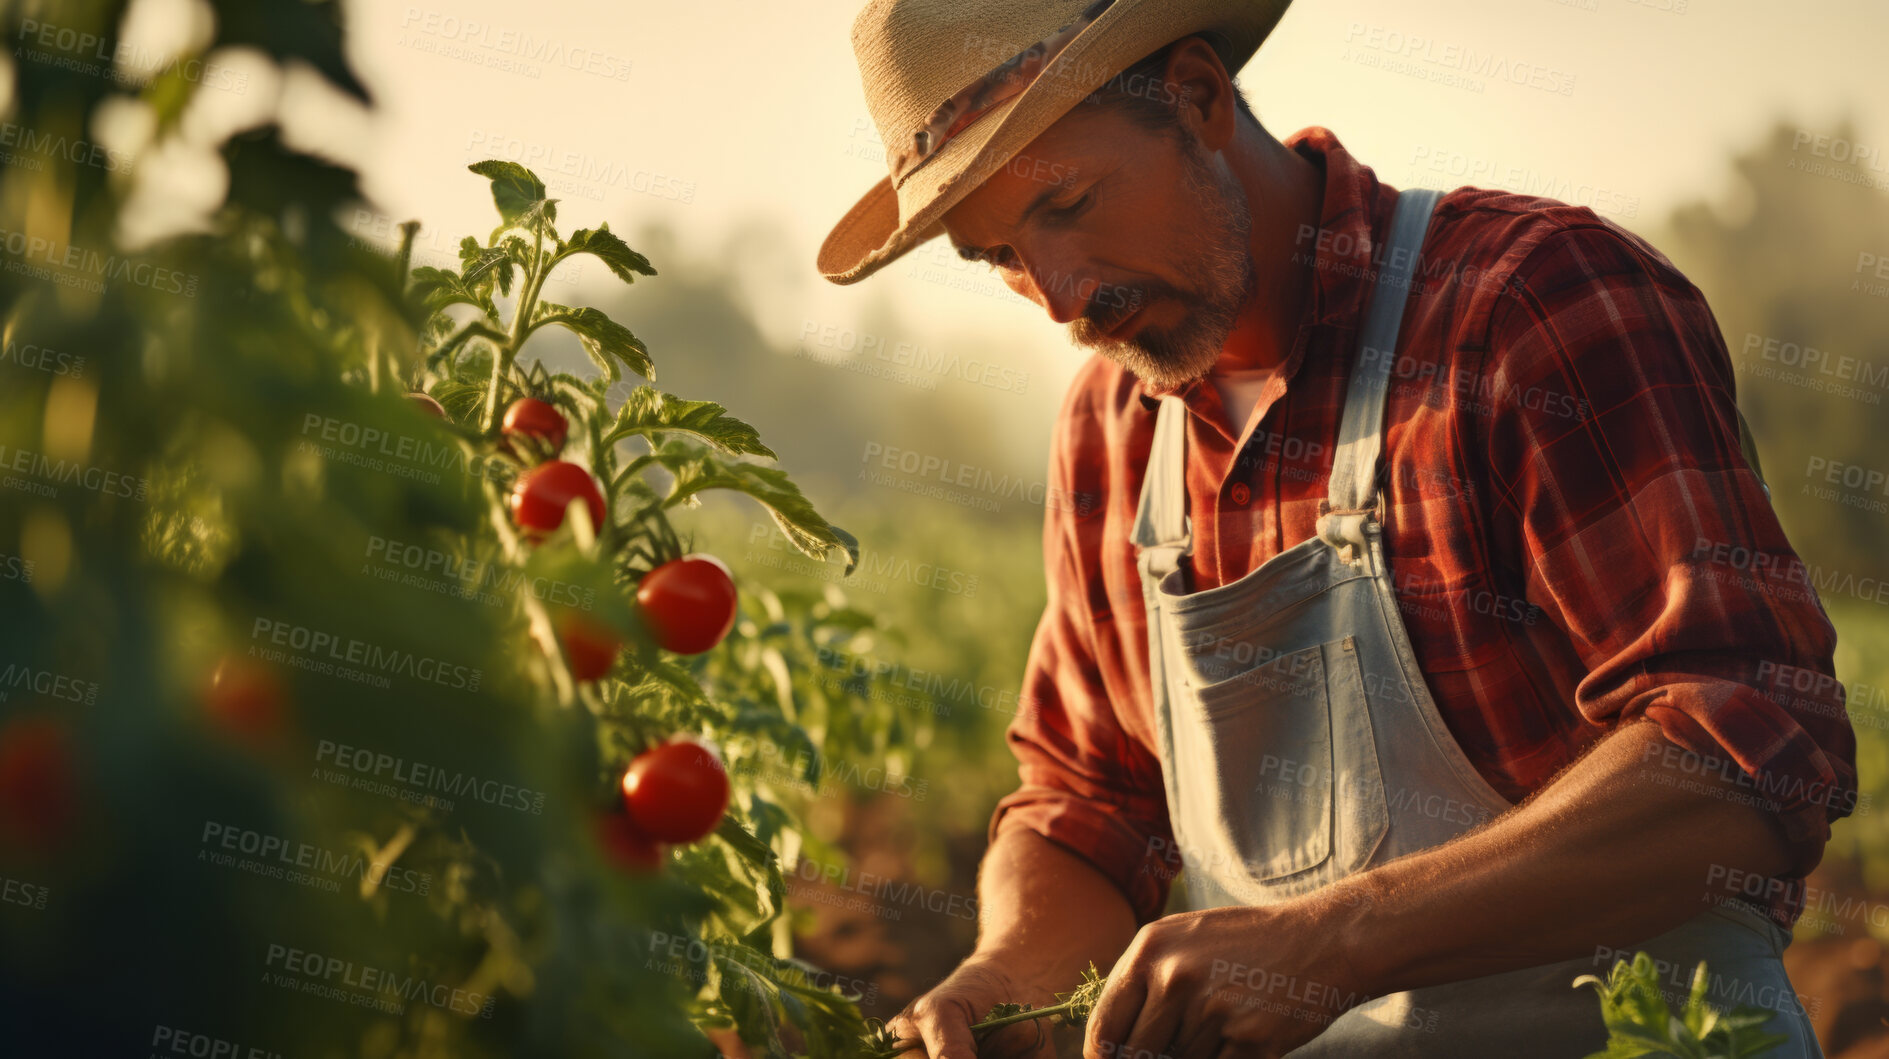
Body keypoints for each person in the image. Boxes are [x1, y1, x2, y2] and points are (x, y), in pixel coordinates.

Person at [816, 1, 1858, 1055]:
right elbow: (1089, 805)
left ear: (1196, 96)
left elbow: (1745, 745)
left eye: (1070, 201)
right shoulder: (1110, 430)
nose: (1057, 297)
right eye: (994, 254)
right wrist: (1006, 972)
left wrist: (1334, 941)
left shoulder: (1528, 309)